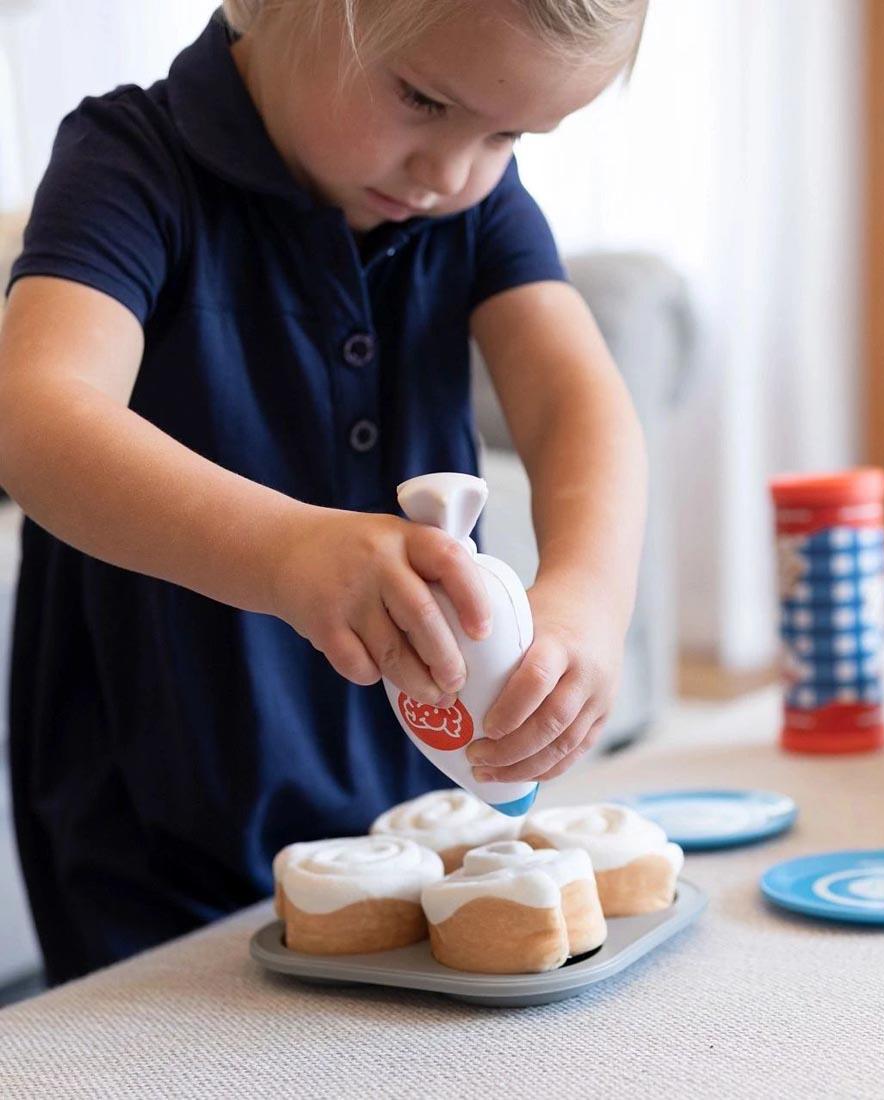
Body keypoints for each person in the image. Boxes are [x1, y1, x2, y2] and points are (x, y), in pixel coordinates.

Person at [0, 0, 648, 984]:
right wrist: (287, 550)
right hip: (155, 799)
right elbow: (32, 417)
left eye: (510, 134)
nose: (453, 173)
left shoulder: (473, 203)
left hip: (409, 784)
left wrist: (588, 596)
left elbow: (575, 404)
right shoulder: (130, 162)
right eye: (423, 99)